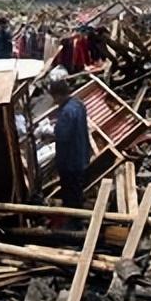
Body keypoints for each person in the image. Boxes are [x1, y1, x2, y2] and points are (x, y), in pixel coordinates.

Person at [49, 78, 90, 213]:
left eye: (55, 97)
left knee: (70, 193)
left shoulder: (67, 112)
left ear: (59, 95)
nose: (54, 101)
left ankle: (73, 220)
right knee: (77, 190)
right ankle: (77, 215)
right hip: (81, 156)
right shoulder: (78, 105)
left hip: (69, 160)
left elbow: (62, 135)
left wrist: (49, 130)